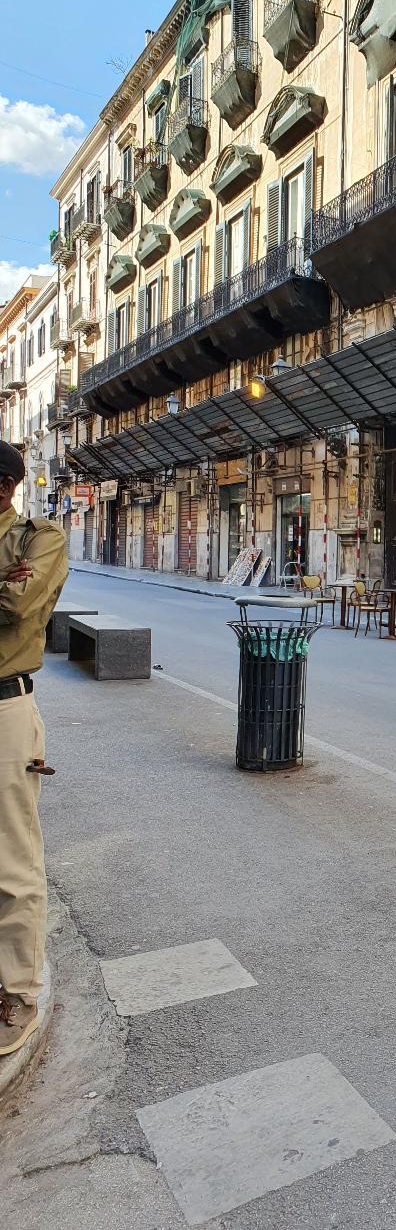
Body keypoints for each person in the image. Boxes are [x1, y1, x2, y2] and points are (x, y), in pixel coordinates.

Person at [0, 440, 68, 1056]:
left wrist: (5, 586)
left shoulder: (36, 540)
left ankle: (18, 989)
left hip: (5, 708)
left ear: (5, 486)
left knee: (11, 859)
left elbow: (17, 606)